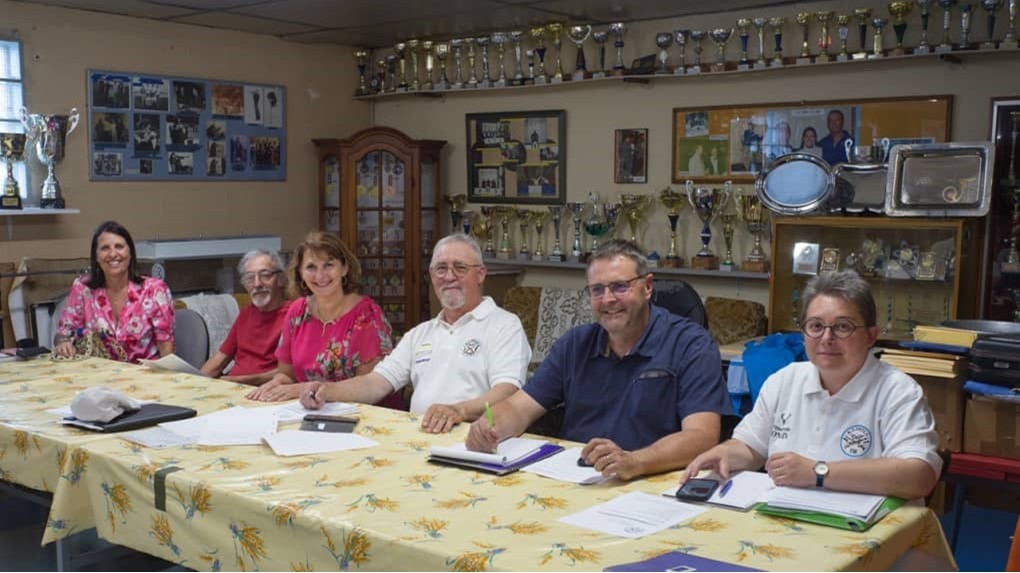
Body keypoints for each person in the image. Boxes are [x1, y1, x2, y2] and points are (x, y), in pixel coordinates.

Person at [466, 240, 730, 481]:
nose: (608, 299)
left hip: (653, 480)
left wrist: (635, 461)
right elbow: (520, 408)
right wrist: (491, 426)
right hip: (575, 476)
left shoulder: (691, 345)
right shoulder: (575, 344)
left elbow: (702, 436)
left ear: (647, 287)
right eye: (597, 290)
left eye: (619, 287)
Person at [682, 270, 941, 500]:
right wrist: (725, 453)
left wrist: (818, 472)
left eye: (842, 327)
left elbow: (919, 475)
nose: (827, 338)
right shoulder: (785, 380)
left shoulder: (898, 391)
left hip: (861, 531)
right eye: (816, 326)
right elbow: (751, 447)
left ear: (871, 335)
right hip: (785, 517)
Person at [299, 234, 531, 434]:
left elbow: (508, 391)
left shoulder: (504, 325)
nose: (449, 276)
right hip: (420, 438)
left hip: (475, 439)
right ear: (431, 276)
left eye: (460, 268)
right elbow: (376, 383)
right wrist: (328, 390)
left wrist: (458, 410)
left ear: (480, 274)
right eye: (441, 268)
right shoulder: (420, 334)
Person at [246, 232, 399, 406]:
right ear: (301, 274)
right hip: (311, 409)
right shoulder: (297, 312)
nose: (320, 276)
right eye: (311, 267)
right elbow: (287, 374)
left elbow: (367, 389)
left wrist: (301, 389)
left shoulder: (366, 315)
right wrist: (276, 384)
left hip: (364, 414)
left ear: (345, 268)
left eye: (328, 265)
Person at [54, 221, 174, 363]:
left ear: (130, 253)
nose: (113, 254)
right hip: (98, 377)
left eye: (119, 247)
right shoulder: (83, 288)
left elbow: (166, 350)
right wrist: (63, 344)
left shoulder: (155, 290)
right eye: (105, 248)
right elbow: (63, 335)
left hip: (144, 377)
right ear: (96, 257)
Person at [200, 249, 291, 384]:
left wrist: (243, 380)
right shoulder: (246, 313)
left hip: (265, 391)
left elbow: (291, 372)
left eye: (265, 275)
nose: (257, 284)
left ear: (281, 279)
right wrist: (194, 380)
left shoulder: (294, 314)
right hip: (233, 388)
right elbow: (220, 360)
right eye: (250, 278)